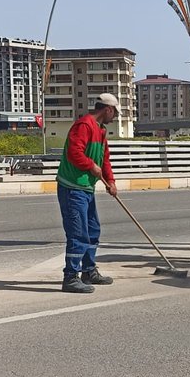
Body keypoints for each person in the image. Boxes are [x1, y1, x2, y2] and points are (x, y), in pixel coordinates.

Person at [55, 93, 119, 293]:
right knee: (78, 233)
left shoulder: (100, 131)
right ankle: (70, 277)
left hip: (86, 188)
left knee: (93, 230)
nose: (115, 117)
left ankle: (88, 270)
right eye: (115, 112)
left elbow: (104, 160)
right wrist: (91, 166)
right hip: (72, 187)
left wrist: (111, 181)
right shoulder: (84, 126)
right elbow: (75, 153)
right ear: (108, 109)